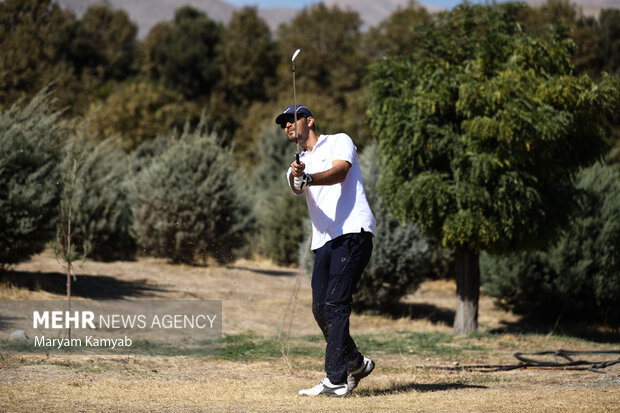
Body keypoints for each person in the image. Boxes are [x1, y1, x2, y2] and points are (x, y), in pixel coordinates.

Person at [275, 104, 377, 397]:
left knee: (335, 304)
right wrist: (300, 176)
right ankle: (355, 362)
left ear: (310, 121)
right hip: (324, 242)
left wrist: (310, 178)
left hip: (353, 233)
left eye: (292, 120)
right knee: (320, 308)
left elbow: (340, 172)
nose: (288, 126)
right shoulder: (296, 166)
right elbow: (297, 186)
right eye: (283, 124)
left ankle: (335, 379)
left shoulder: (339, 141)